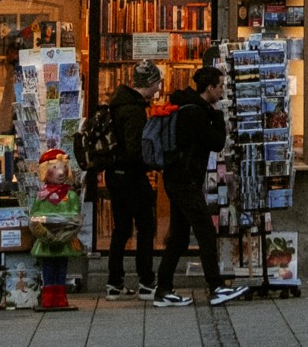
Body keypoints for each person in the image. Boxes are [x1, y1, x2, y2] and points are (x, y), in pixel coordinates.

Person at [151, 64, 247, 308]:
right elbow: (216, 142)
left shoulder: (187, 106)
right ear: (209, 87)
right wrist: (217, 115)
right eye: (220, 86)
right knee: (205, 231)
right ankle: (216, 287)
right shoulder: (197, 113)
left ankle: (163, 288)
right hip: (185, 181)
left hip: (178, 179)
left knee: (180, 237)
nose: (222, 91)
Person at [104, 59, 160, 300]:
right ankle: (146, 282)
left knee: (122, 229)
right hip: (132, 176)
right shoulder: (135, 111)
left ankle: (114, 283)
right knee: (146, 227)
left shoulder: (116, 104)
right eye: (157, 83)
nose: (158, 89)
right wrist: (153, 163)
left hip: (114, 174)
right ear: (148, 83)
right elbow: (135, 150)